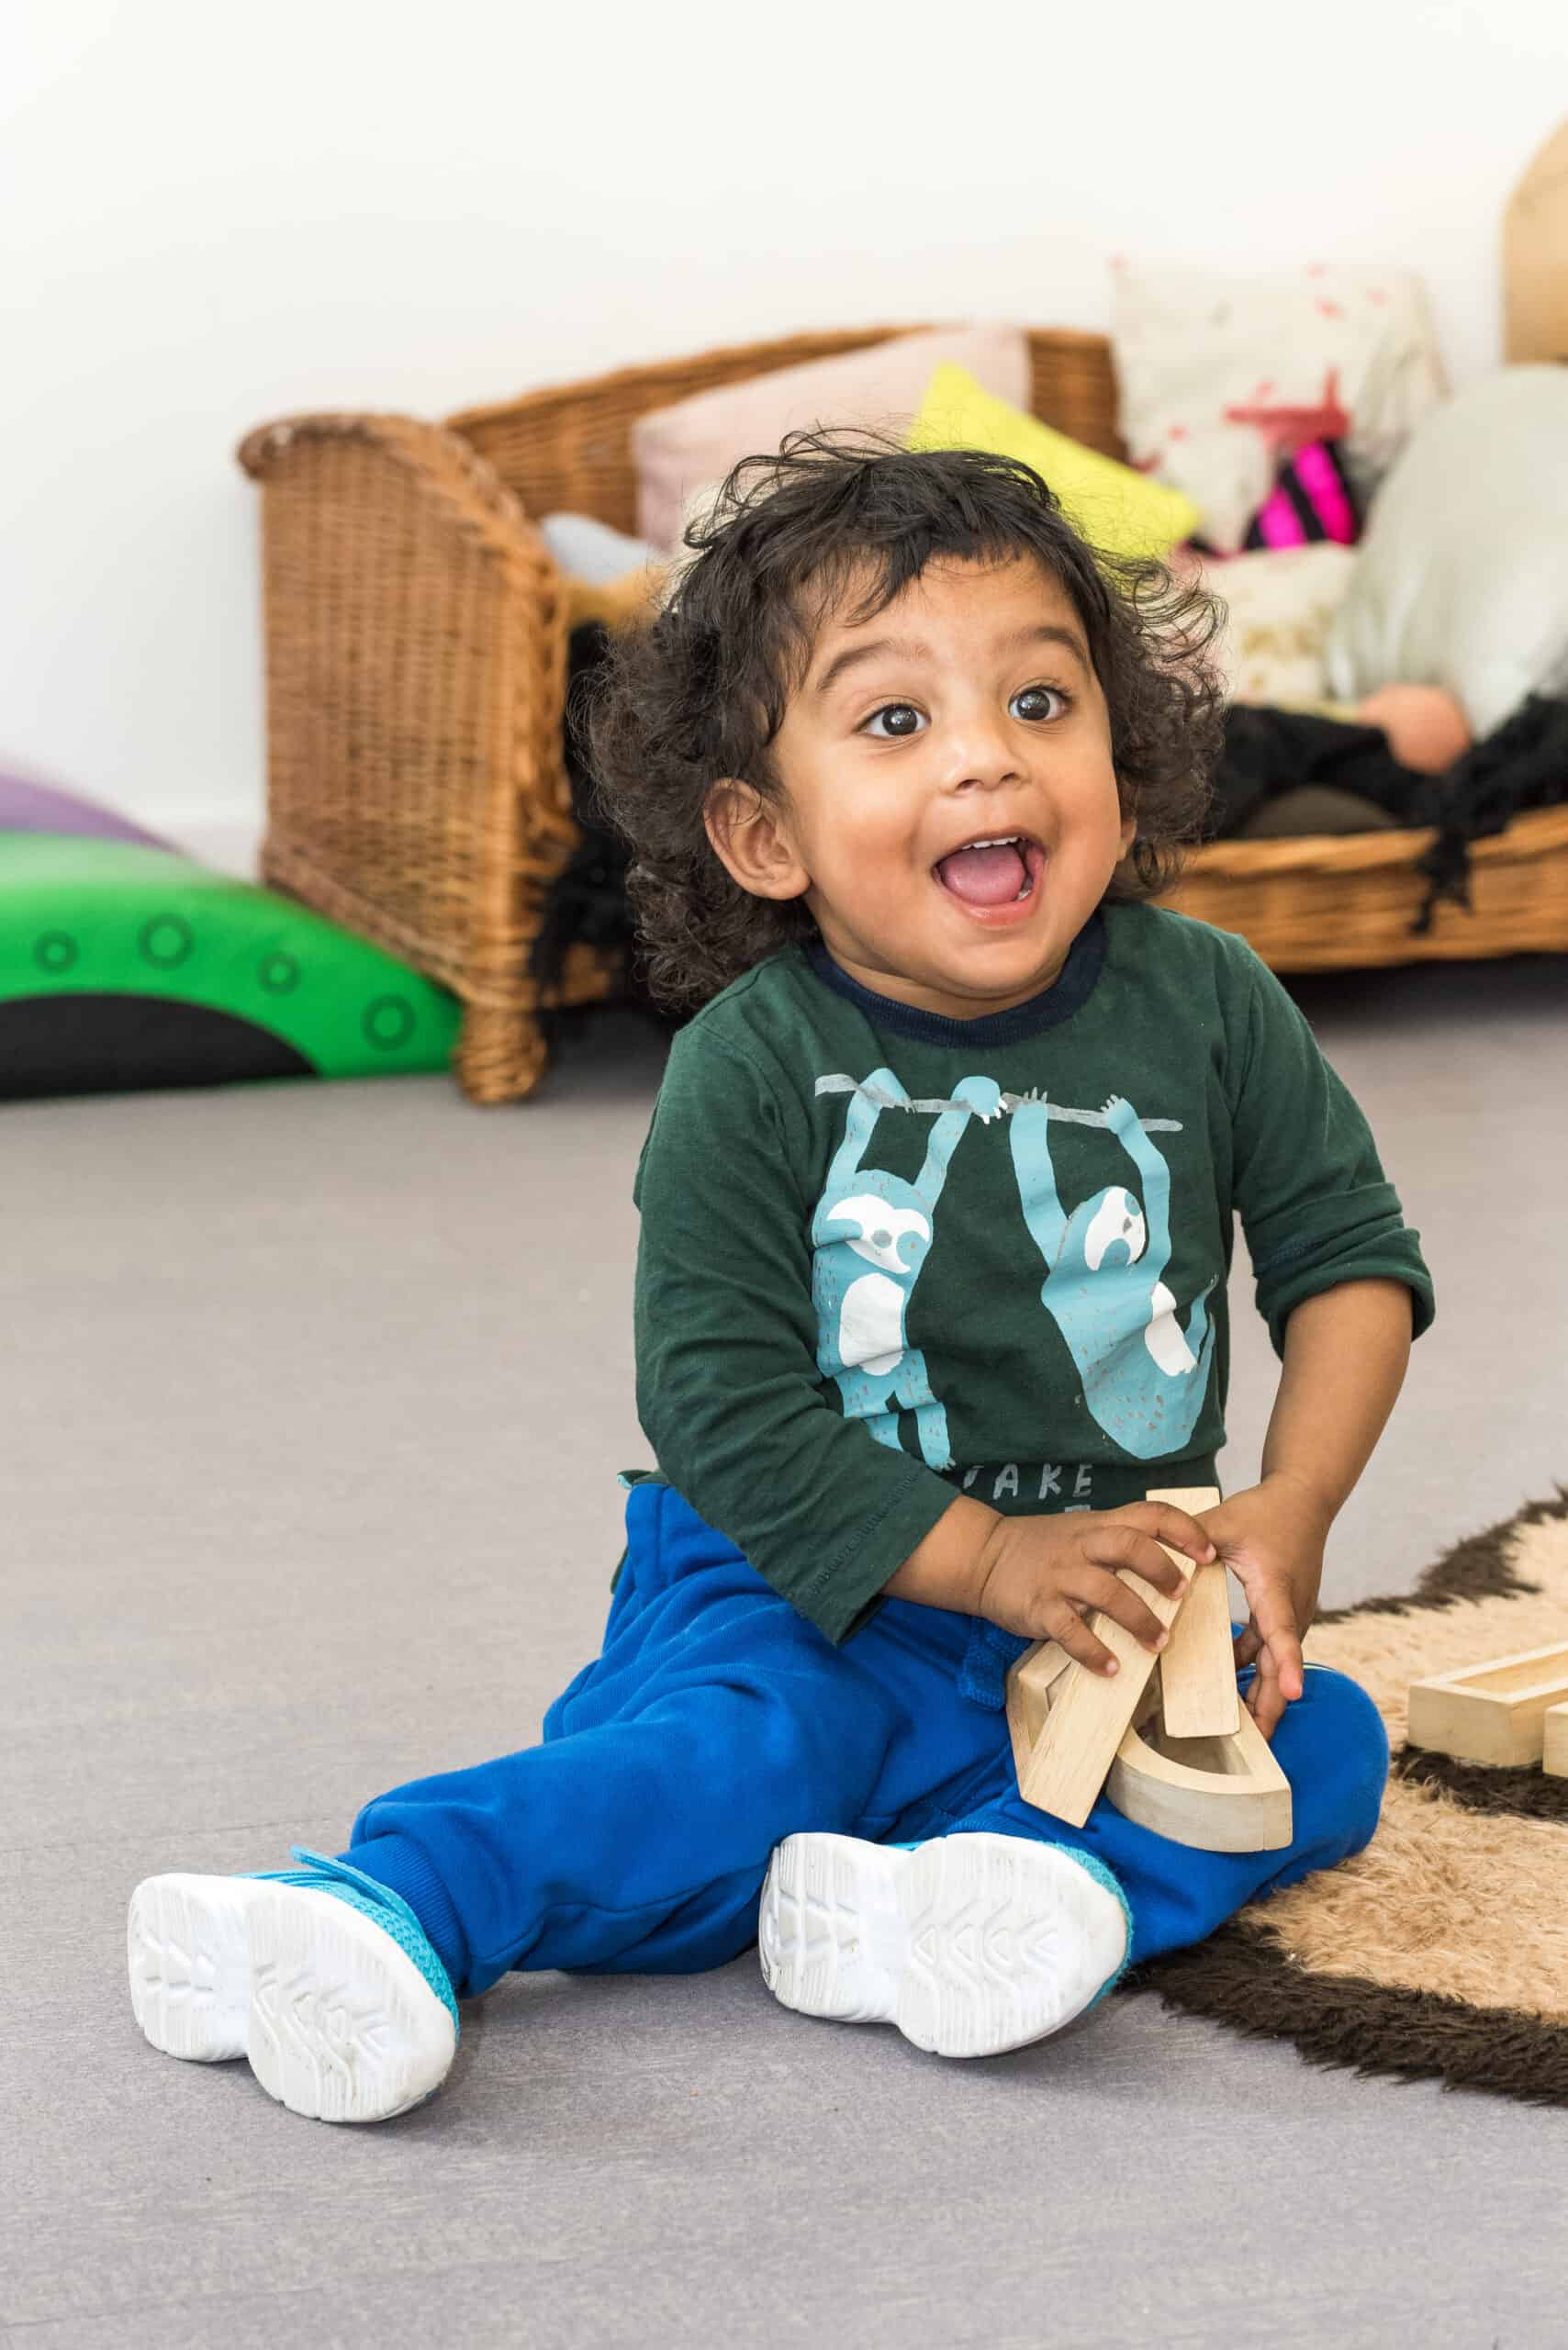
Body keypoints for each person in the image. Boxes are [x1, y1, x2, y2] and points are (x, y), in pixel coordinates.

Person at [127, 429, 1434, 2123]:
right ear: (762, 834)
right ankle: (384, 1900)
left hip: (1105, 1605)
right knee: (748, 1765)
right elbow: (717, 1399)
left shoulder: (1213, 1001)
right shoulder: (753, 1064)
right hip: (799, 1582)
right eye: (898, 722)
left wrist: (1293, 1504)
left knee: (1322, 1755)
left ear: (1130, 753)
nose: (986, 762)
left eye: (1040, 704)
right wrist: (981, 1556)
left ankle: (962, 1895)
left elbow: (1351, 1264)